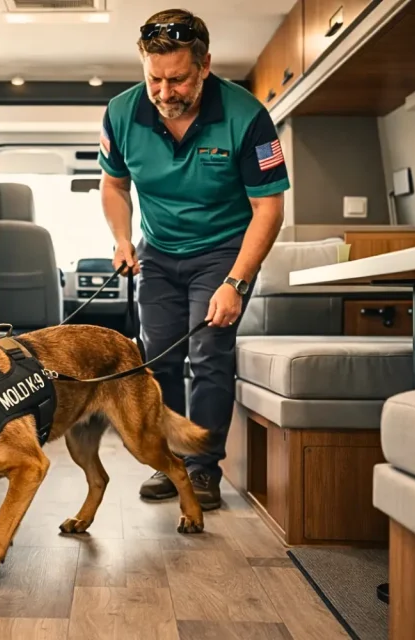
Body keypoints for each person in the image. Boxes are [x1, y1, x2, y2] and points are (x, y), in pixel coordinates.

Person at [98, 8, 288, 510]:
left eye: (177, 78)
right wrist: (122, 240)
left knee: (208, 354)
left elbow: (269, 207)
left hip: (223, 250)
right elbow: (115, 184)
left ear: (205, 65)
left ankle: (204, 470)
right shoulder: (121, 113)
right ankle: (172, 465)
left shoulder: (246, 116)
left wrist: (237, 281)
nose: (164, 92)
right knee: (156, 356)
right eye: (155, 78)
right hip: (157, 252)